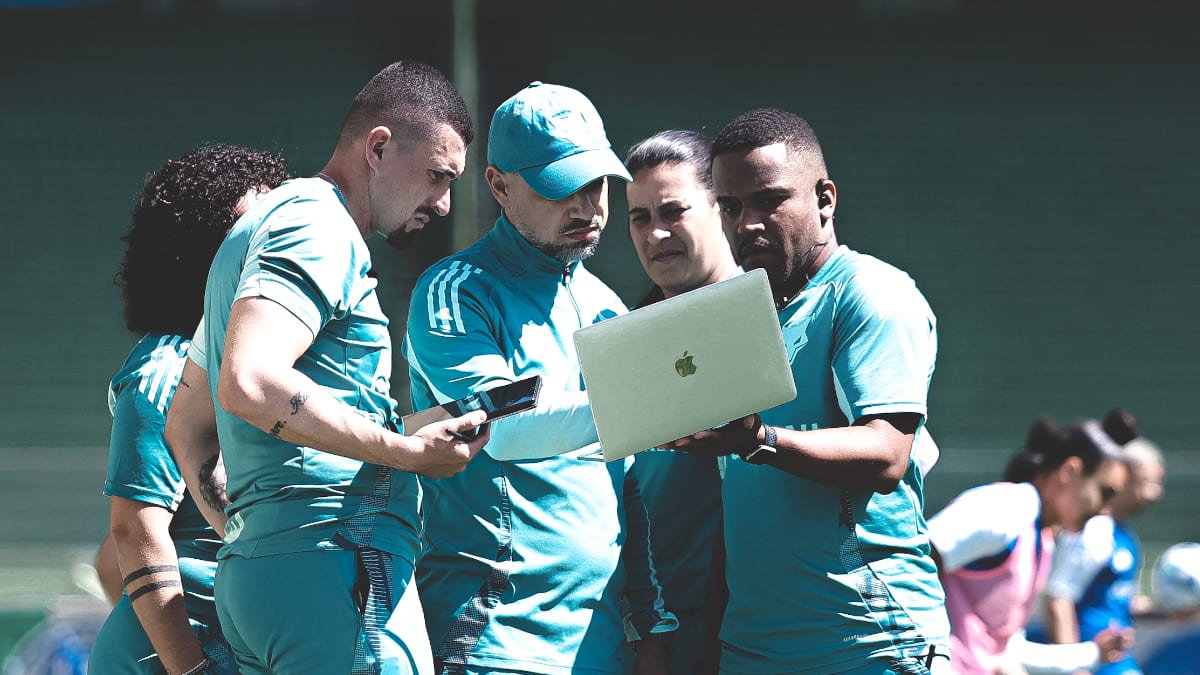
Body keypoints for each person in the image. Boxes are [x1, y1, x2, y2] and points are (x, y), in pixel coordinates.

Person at [163, 61, 490, 674]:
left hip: (266, 580)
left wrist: (252, 533)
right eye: (438, 176)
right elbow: (251, 380)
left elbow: (186, 424)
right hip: (335, 572)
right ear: (380, 148)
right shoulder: (319, 225)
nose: (444, 204)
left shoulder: (253, 231)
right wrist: (403, 453)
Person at [404, 81, 675, 675]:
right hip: (494, 640)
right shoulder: (457, 291)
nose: (587, 205)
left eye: (597, 184)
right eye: (561, 187)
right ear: (499, 186)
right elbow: (500, 428)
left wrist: (652, 622)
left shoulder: (609, 307)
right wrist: (669, 398)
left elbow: (630, 482)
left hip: (600, 646)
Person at [665, 107, 948, 673]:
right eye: (731, 206)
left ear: (825, 199)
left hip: (867, 642)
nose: (746, 224)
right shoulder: (744, 316)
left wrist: (758, 439)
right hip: (751, 648)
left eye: (770, 200)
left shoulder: (871, 294)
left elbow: (888, 453)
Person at [88, 144, 290, 675]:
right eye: (254, 229)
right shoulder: (165, 371)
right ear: (204, 252)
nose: (279, 242)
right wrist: (189, 667)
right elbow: (132, 534)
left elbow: (110, 560)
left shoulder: (261, 361)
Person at [623, 129, 738, 675]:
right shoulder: (625, 343)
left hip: (784, 634)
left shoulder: (794, 323)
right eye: (640, 218)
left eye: (674, 210)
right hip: (667, 641)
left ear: (720, 210)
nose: (656, 233)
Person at [929, 417, 1132, 674]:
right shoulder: (1007, 508)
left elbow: (1004, 650)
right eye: (1105, 492)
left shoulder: (1041, 540)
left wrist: (1091, 654)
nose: (1105, 510)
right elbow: (909, 562)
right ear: (1070, 471)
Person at [1041, 410, 1166, 674]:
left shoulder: (1124, 533)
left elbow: (1114, 600)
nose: (1155, 493)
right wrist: (1075, 669)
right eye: (1147, 482)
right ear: (1123, 477)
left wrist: (1170, 612)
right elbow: (1058, 598)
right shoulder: (1094, 529)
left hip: (1116, 661)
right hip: (1093, 663)